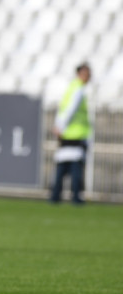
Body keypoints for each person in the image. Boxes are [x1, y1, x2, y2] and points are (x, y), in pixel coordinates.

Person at [49, 63, 92, 205]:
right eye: (86, 73)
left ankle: (55, 196)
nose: (89, 76)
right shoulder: (78, 89)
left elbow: (63, 108)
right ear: (80, 74)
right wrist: (60, 127)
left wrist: (58, 126)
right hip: (75, 134)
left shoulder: (71, 87)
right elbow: (70, 110)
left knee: (62, 166)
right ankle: (75, 197)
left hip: (66, 134)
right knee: (75, 168)